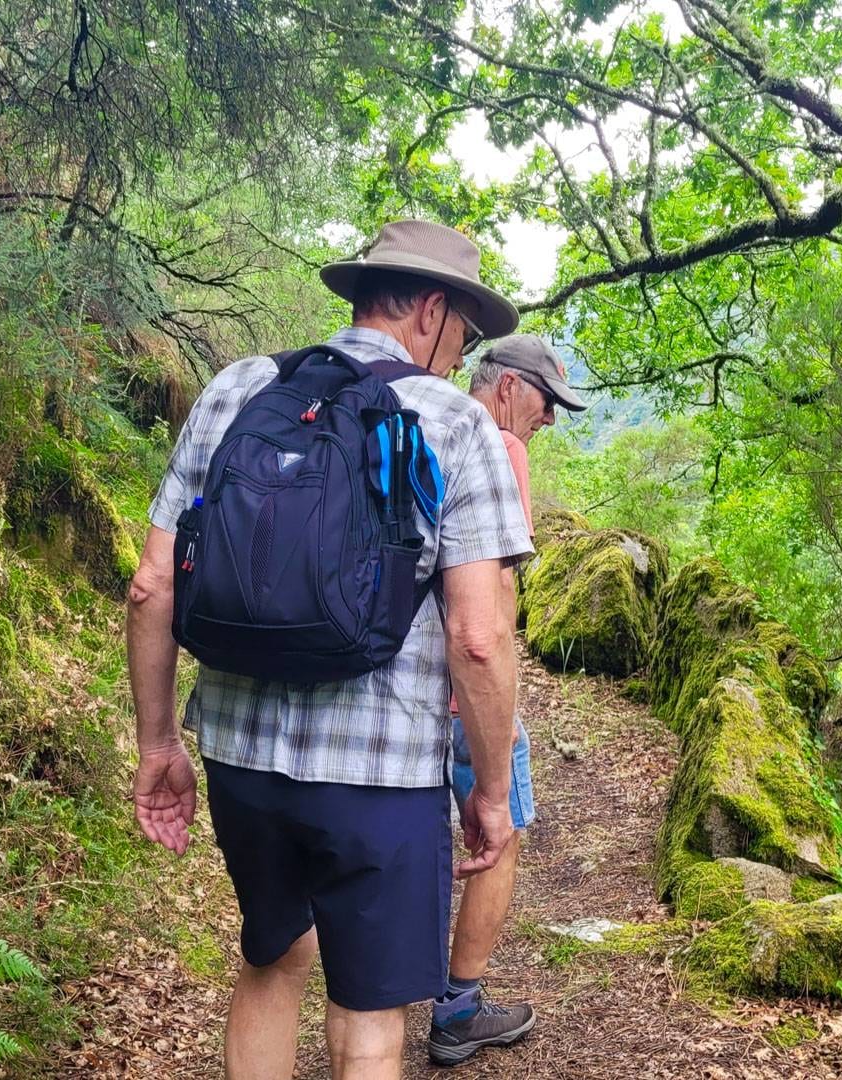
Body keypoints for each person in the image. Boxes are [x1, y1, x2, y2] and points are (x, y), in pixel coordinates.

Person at [125, 219, 533, 1080]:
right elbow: (479, 636)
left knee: (272, 962)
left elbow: (152, 586)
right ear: (431, 311)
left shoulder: (240, 389)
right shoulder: (455, 423)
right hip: (381, 775)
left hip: (241, 759)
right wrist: (492, 792)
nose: (458, 356)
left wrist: (158, 744)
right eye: (462, 336)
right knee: (370, 1017)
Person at [430, 335, 587, 1066]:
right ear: (508, 388)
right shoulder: (500, 447)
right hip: (463, 695)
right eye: (547, 401)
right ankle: (458, 1008)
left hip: (404, 691)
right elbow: (493, 594)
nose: (549, 418)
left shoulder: (421, 425)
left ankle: (390, 993)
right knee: (502, 832)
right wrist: (499, 711)